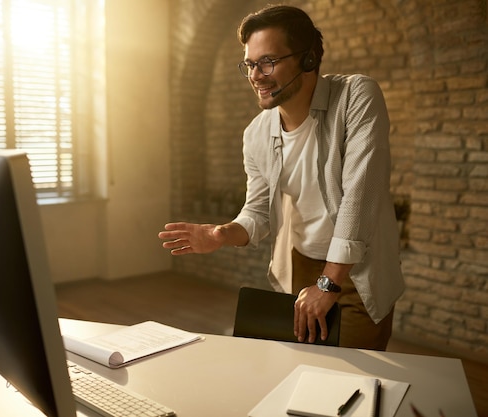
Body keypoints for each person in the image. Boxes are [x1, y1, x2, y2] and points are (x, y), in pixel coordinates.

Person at [158, 4, 405, 350]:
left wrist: (329, 283)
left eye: (267, 62)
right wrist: (221, 234)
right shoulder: (256, 134)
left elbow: (360, 196)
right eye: (249, 64)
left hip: (355, 270)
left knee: (356, 381)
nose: (256, 75)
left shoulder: (357, 97)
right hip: (302, 264)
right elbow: (257, 212)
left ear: (308, 60)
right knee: (301, 369)